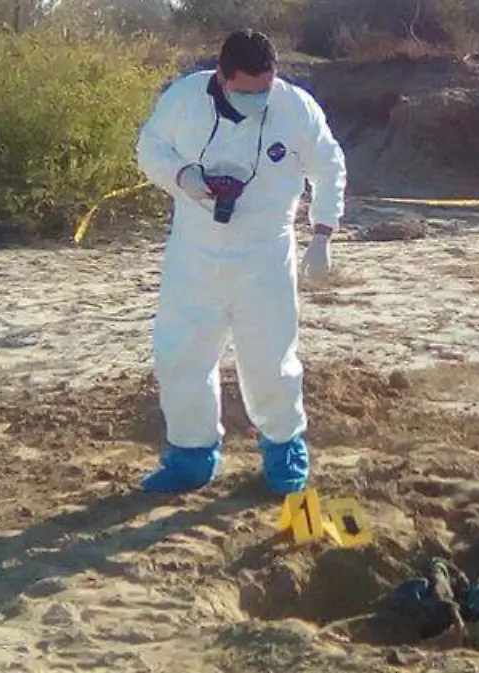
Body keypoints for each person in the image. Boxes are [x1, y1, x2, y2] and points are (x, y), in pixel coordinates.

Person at [135, 29, 347, 495]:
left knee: (270, 359)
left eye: (264, 88)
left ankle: (283, 451)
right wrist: (182, 176)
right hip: (194, 254)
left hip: (266, 255)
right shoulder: (185, 99)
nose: (258, 99)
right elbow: (149, 147)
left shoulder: (295, 108)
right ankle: (190, 456)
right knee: (181, 355)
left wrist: (323, 233)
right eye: (246, 91)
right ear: (221, 76)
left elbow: (328, 164)